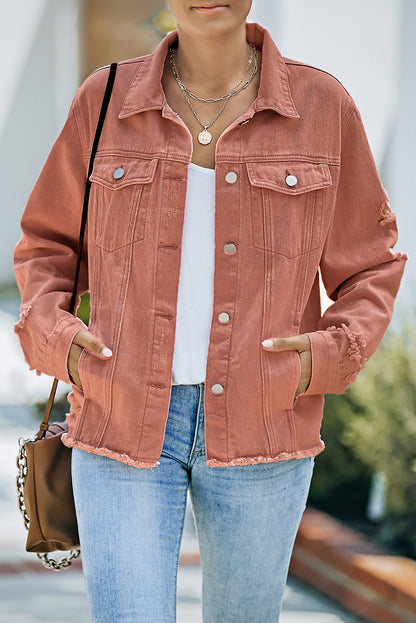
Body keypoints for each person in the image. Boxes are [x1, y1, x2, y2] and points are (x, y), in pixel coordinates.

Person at [13, 1, 406, 621]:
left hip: (266, 420)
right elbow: (47, 245)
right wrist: (60, 339)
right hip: (119, 418)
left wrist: (323, 358)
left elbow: (372, 266)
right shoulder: (105, 98)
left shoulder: (322, 106)